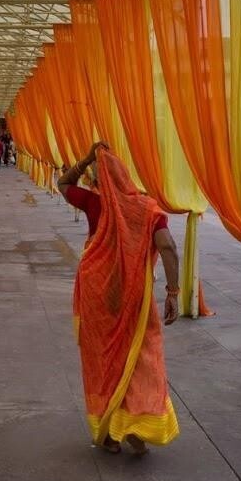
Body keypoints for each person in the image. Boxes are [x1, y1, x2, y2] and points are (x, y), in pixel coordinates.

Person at [58, 141, 179, 456]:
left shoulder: (94, 203)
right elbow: (167, 246)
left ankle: (111, 432)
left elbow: (63, 184)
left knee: (104, 360)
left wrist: (86, 159)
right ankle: (136, 424)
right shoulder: (147, 209)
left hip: (97, 293)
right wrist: (173, 292)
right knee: (141, 358)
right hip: (133, 295)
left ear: (98, 180)